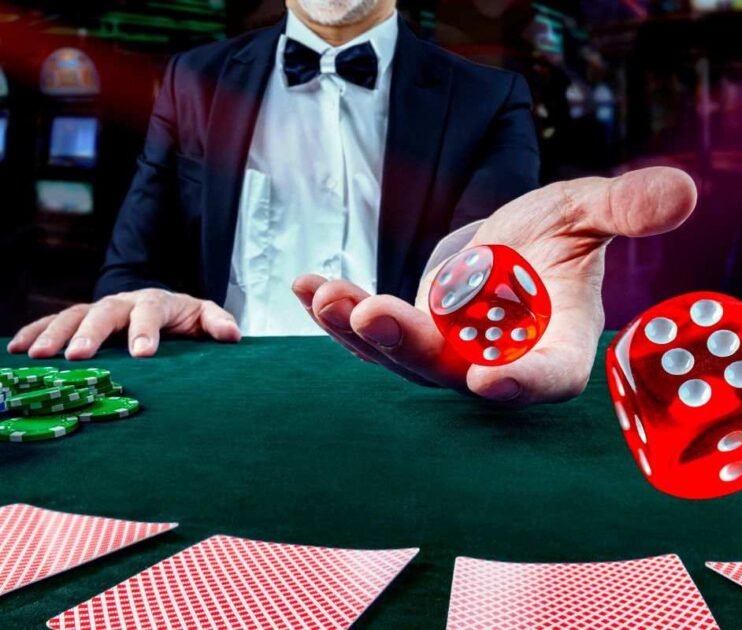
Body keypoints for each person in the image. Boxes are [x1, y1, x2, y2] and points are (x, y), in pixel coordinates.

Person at [9, 0, 699, 405]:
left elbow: (486, 257)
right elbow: (130, 272)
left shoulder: (491, 96)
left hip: (407, 405)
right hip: (222, 394)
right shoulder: (193, 79)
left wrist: (504, 295)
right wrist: (142, 302)